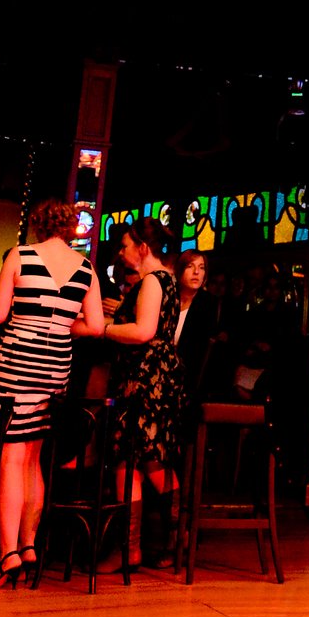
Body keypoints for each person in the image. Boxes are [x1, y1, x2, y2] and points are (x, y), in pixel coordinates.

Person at [0, 200, 104, 587]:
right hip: (55, 367)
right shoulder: (86, 269)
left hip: (16, 361)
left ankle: (7, 554)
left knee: (9, 456)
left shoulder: (21, 255)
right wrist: (65, 324)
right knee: (33, 454)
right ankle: (29, 544)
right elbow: (97, 326)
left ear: (37, 225)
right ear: (70, 228)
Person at [101, 219, 187, 568]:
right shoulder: (162, 280)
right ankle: (134, 546)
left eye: (124, 245)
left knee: (147, 458)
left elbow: (143, 331)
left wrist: (103, 328)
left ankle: (170, 539)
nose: (120, 253)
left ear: (143, 247)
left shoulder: (153, 280)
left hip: (146, 378)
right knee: (132, 458)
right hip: (149, 376)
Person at [173, 248, 219, 397]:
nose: (196, 272)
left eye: (201, 267)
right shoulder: (168, 298)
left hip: (188, 380)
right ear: (179, 270)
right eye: (190, 266)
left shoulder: (208, 304)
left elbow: (197, 352)